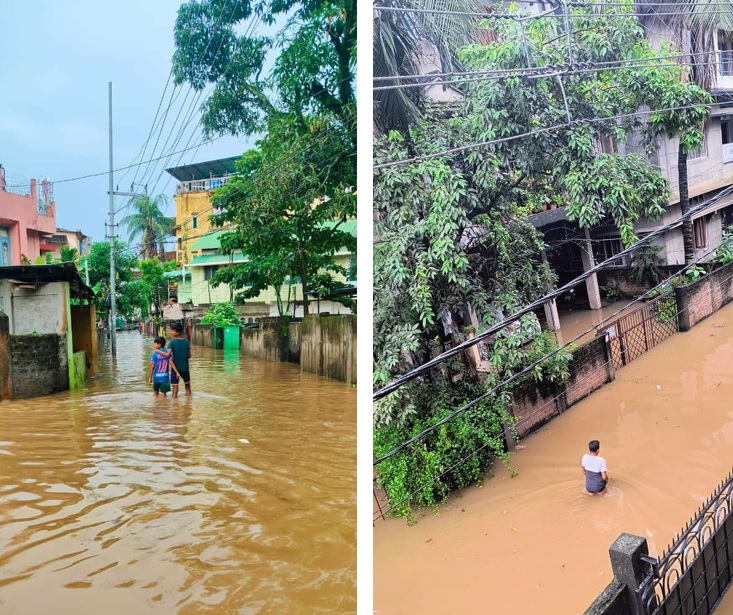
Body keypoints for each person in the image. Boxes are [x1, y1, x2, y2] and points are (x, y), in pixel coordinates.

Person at [155, 322, 191, 398]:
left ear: (177, 332)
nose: (170, 332)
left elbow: (167, 355)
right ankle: (188, 402)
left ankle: (175, 405)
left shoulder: (172, 342)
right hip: (185, 368)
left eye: (172, 330)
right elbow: (189, 356)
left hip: (175, 369)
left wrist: (157, 350)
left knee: (175, 388)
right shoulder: (187, 342)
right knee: (187, 386)